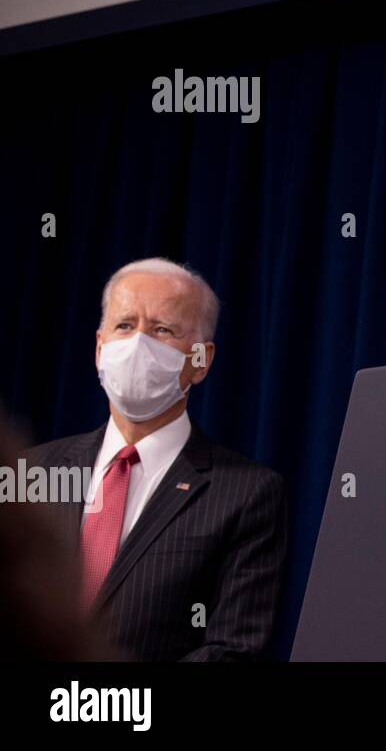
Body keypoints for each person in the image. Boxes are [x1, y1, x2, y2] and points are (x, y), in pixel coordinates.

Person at [22, 258, 287, 660]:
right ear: (98, 348)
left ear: (201, 360)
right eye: (125, 325)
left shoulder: (247, 494)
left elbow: (232, 650)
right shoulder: (33, 472)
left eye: (162, 330)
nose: (138, 344)